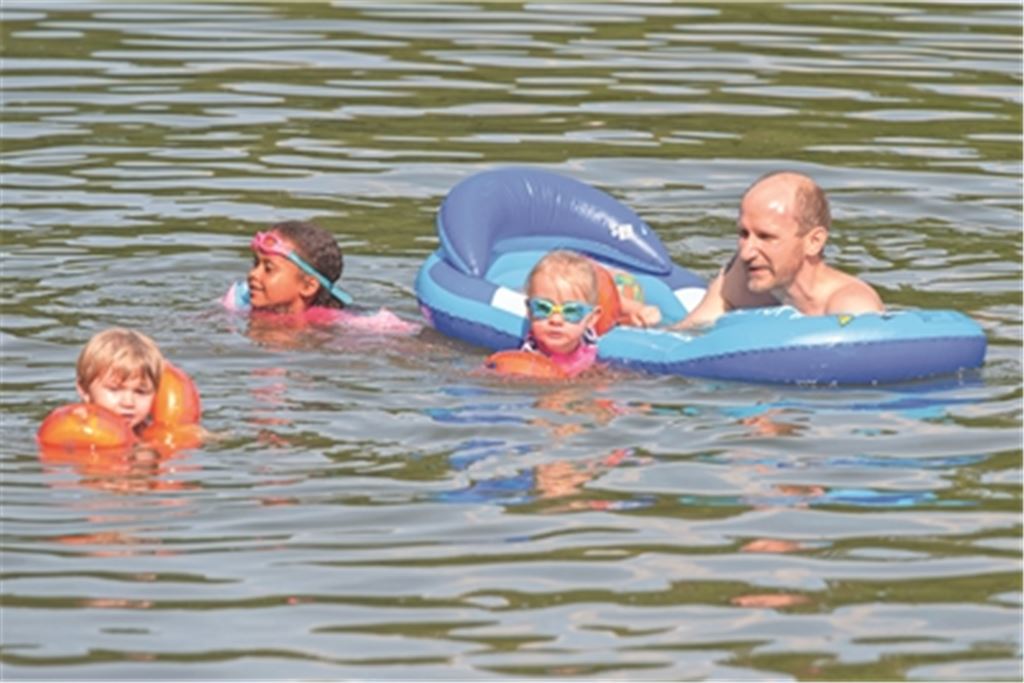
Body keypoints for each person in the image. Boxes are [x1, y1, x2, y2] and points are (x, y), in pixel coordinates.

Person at [674, 171, 884, 330]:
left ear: (814, 242)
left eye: (766, 237)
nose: (747, 253)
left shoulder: (851, 307)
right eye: (744, 234)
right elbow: (684, 337)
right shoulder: (743, 277)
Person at [225, 220, 420, 335]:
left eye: (268, 268)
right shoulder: (241, 303)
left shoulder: (330, 321)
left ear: (308, 286)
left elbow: (403, 334)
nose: (253, 274)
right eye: (255, 264)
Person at [522, 250, 604, 377]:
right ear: (529, 311)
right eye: (543, 308)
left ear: (591, 318)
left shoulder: (590, 342)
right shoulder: (529, 357)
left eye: (571, 311)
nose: (556, 320)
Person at [75, 327, 164, 435]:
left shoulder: (152, 433)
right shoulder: (75, 430)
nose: (128, 403)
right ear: (85, 390)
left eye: (140, 392)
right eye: (115, 389)